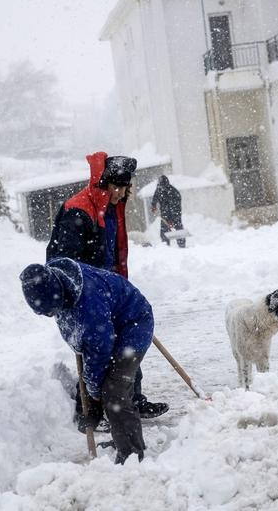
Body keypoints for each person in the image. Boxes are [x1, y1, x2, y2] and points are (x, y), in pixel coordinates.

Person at [46, 151, 168, 428]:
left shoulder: (111, 207)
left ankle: (131, 400)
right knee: (99, 347)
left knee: (126, 341)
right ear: (102, 184)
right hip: (84, 295)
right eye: (116, 187)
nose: (120, 193)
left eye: (125, 187)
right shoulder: (78, 211)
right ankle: (89, 409)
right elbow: (60, 263)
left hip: (109, 288)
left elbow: (113, 250)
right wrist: (83, 293)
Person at [20, 257, 152, 464]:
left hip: (134, 323)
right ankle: (122, 439)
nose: (51, 316)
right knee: (105, 386)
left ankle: (132, 454)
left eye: (52, 311)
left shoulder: (90, 306)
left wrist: (93, 392)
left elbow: (99, 350)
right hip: (109, 319)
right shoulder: (58, 277)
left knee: (114, 391)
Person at [151, 175, 186, 248]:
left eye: (162, 187)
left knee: (178, 230)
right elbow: (155, 196)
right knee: (164, 232)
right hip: (164, 213)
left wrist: (171, 220)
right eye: (160, 186)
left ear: (166, 185)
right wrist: (153, 205)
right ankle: (165, 247)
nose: (161, 188)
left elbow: (175, 209)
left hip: (175, 214)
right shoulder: (159, 189)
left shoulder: (174, 193)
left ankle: (182, 246)